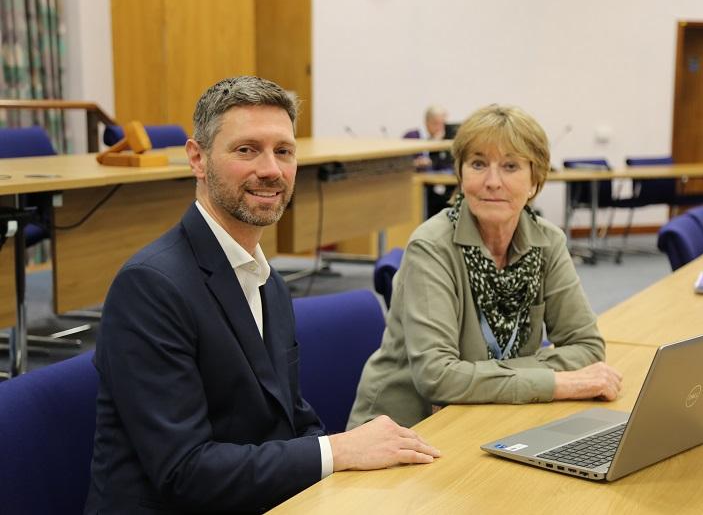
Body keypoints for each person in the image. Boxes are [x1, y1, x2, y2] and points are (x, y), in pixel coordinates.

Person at [85, 76, 439, 514]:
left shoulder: (265, 277)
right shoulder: (150, 287)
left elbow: (291, 416)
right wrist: (339, 452)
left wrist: (345, 473)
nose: (272, 169)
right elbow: (185, 471)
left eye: (283, 151)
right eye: (246, 150)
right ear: (198, 159)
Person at [348, 104, 622, 430]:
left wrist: (475, 377)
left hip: (490, 416)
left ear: (535, 180)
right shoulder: (432, 247)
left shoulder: (548, 242)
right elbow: (438, 378)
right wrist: (557, 382)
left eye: (510, 166)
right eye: (478, 164)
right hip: (403, 433)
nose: (492, 181)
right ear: (461, 175)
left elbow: (588, 348)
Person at [403, 105, 455, 217]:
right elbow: (401, 163)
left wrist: (438, 144)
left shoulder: (447, 139)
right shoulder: (412, 136)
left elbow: (446, 165)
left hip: (439, 186)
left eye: (443, 124)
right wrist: (416, 163)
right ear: (426, 122)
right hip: (419, 187)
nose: (440, 128)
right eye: (436, 123)